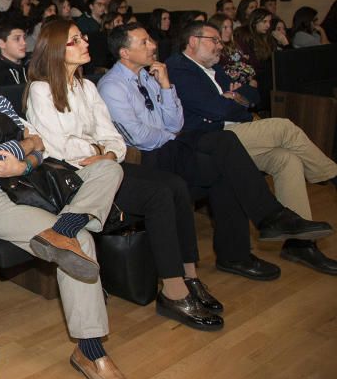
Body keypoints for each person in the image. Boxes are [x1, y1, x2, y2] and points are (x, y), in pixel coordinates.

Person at [0, 35, 135, 379]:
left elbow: (38, 139)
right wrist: (26, 149)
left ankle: (66, 224)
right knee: (80, 243)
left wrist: (24, 162)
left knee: (110, 170)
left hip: (29, 186)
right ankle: (91, 351)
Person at [25, 20, 225, 332]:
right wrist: (99, 150)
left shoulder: (88, 87)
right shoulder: (41, 90)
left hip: (105, 166)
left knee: (175, 185)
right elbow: (57, 148)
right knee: (158, 195)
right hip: (73, 177)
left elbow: (115, 138)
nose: (85, 42)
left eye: (83, 37)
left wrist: (106, 153)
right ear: (55, 50)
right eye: (75, 40)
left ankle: (189, 276)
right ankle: (174, 292)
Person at [98, 23, 334, 278]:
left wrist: (165, 86)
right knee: (227, 147)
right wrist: (172, 135)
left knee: (227, 150)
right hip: (151, 159)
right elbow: (141, 137)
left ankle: (247, 245)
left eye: (150, 40)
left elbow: (176, 121)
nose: (153, 46)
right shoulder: (112, 86)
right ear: (124, 53)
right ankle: (265, 223)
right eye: (144, 42)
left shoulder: (152, 75)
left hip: (176, 145)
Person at [166, 22, 337, 273]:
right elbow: (217, 109)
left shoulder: (212, 68)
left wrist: (236, 98)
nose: (219, 46)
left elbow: (254, 95)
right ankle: (331, 176)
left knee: (286, 159)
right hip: (213, 137)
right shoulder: (178, 68)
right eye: (214, 40)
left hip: (235, 132)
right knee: (284, 128)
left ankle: (300, 246)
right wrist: (235, 102)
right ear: (193, 41)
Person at [0, 19, 28, 87]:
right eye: (17, 39)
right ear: (2, 43)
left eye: (24, 38)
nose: (24, 43)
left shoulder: (30, 63)